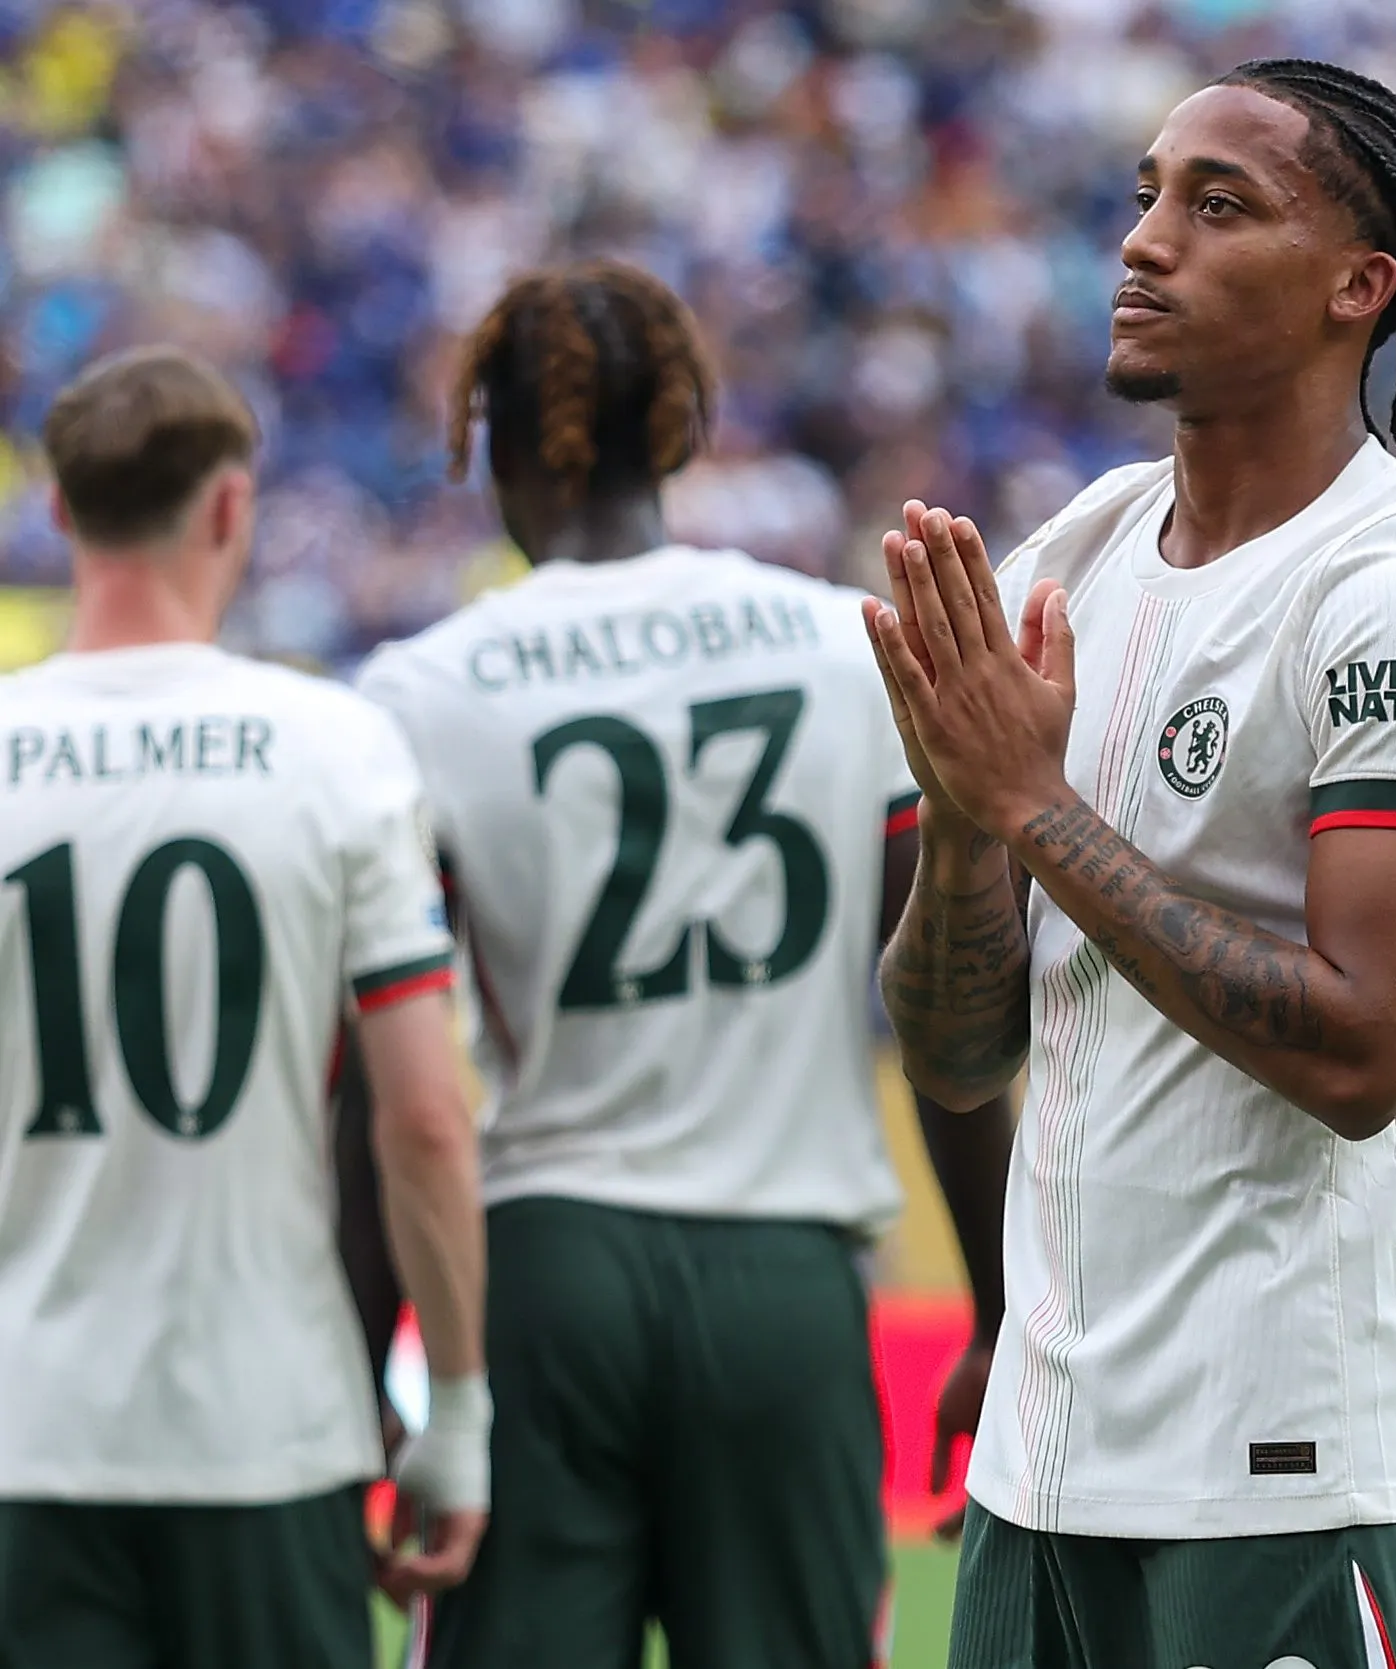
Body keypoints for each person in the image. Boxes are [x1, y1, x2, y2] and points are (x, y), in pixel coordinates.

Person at [865, 59, 1396, 1669]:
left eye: (1216, 205)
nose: (1144, 242)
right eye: (1146, 196)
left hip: (1292, 1468)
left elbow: (1364, 1048)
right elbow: (961, 1052)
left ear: (1355, 289)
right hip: (1045, 1471)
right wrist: (966, 820)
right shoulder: (1070, 562)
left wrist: (1033, 806)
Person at [354, 262, 1015, 1669]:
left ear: (492, 440)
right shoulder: (845, 641)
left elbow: (384, 1072)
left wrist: (370, 1367)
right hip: (783, 1272)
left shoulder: (424, 686)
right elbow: (943, 1008)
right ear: (683, 426)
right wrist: (999, 1302)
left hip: (547, 1267)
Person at [0, 347, 490, 1665]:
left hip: (25, 1434)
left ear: (59, 513)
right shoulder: (332, 747)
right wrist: (454, 1410)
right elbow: (426, 1122)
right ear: (230, 509)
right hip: (266, 1427)